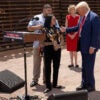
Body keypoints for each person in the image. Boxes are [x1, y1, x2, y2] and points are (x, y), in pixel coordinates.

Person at [60, 1, 100, 92]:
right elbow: (77, 28)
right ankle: (84, 83)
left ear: (84, 9)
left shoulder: (94, 17)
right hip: (83, 45)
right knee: (84, 66)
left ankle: (91, 85)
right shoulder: (82, 17)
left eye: (78, 10)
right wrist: (66, 29)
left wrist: (93, 46)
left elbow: (96, 34)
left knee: (89, 66)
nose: (77, 12)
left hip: (90, 47)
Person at [27, 4, 52, 87]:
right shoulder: (36, 17)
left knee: (47, 63)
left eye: (50, 10)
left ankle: (46, 79)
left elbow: (57, 28)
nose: (50, 12)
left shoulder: (52, 18)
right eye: (48, 10)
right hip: (37, 44)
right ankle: (35, 80)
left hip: (48, 44)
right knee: (36, 62)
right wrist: (38, 27)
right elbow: (29, 27)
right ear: (43, 9)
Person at [43, 15, 64, 93]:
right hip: (48, 49)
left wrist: (59, 45)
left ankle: (55, 84)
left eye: (55, 19)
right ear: (49, 20)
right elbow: (42, 42)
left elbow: (62, 39)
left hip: (57, 49)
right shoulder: (44, 29)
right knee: (47, 67)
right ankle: (48, 86)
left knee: (56, 66)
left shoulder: (57, 29)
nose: (55, 20)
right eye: (53, 19)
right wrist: (52, 43)